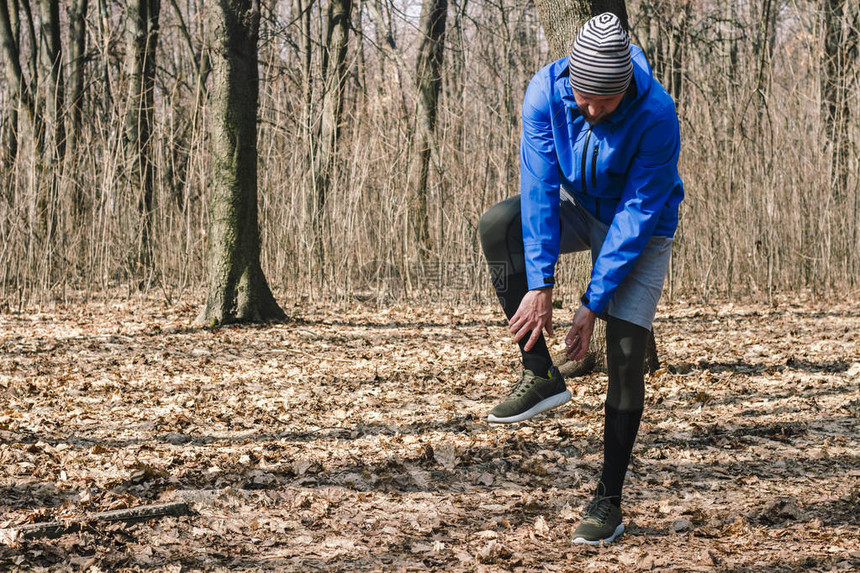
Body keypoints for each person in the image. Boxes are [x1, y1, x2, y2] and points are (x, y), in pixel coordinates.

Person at [478, 12, 684, 545]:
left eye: (604, 103)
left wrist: (592, 302)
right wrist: (540, 283)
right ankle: (541, 374)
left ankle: (608, 502)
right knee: (498, 225)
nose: (590, 111)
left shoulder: (657, 114)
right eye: (583, 98)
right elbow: (540, 187)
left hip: (641, 224)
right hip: (576, 201)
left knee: (623, 355)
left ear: (624, 90)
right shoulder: (546, 93)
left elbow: (637, 216)